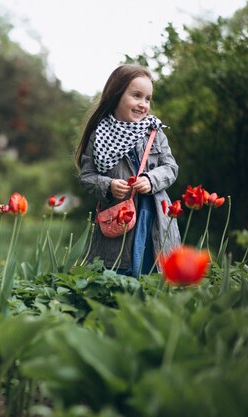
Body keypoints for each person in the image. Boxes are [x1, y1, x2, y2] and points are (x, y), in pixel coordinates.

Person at [75, 64, 180, 276]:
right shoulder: (99, 136)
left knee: (154, 271)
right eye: (136, 96)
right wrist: (108, 185)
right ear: (116, 95)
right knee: (120, 273)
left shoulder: (154, 131)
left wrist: (151, 180)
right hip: (119, 219)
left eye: (147, 98)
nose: (143, 104)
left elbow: (170, 167)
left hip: (155, 217)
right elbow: (87, 177)